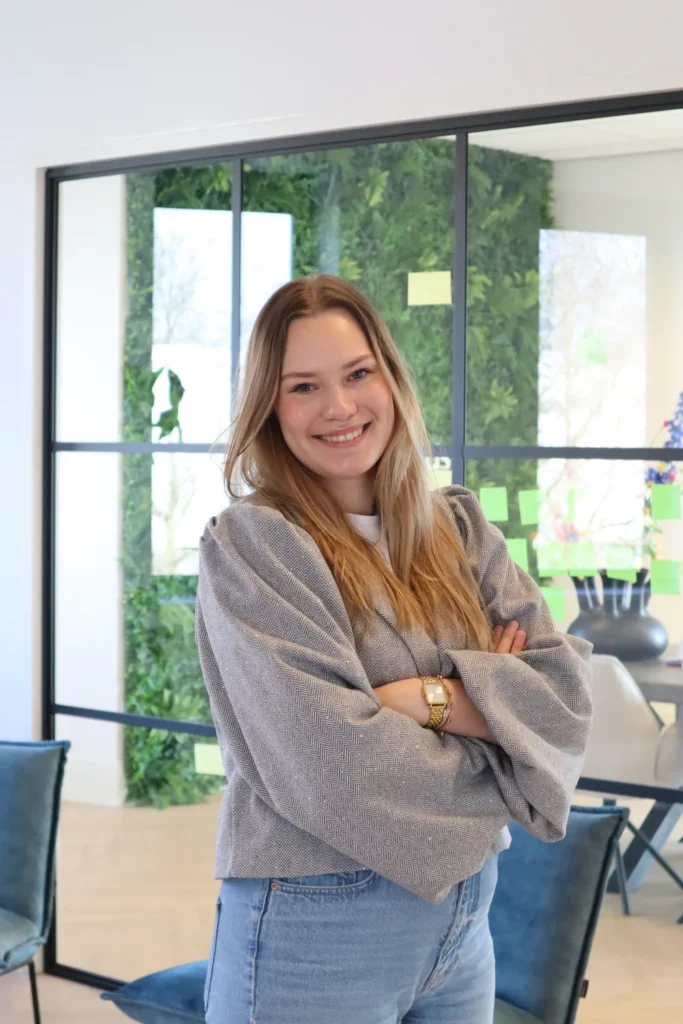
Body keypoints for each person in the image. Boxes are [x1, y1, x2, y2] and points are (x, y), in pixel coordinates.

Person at [195, 275, 593, 1024]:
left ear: (390, 376)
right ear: (269, 408)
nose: (339, 407)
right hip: (317, 922)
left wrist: (424, 700)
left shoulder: (458, 529)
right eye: (303, 386)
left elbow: (564, 697)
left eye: (356, 374)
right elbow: (325, 763)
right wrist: (498, 737)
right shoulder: (257, 545)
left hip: (466, 920)